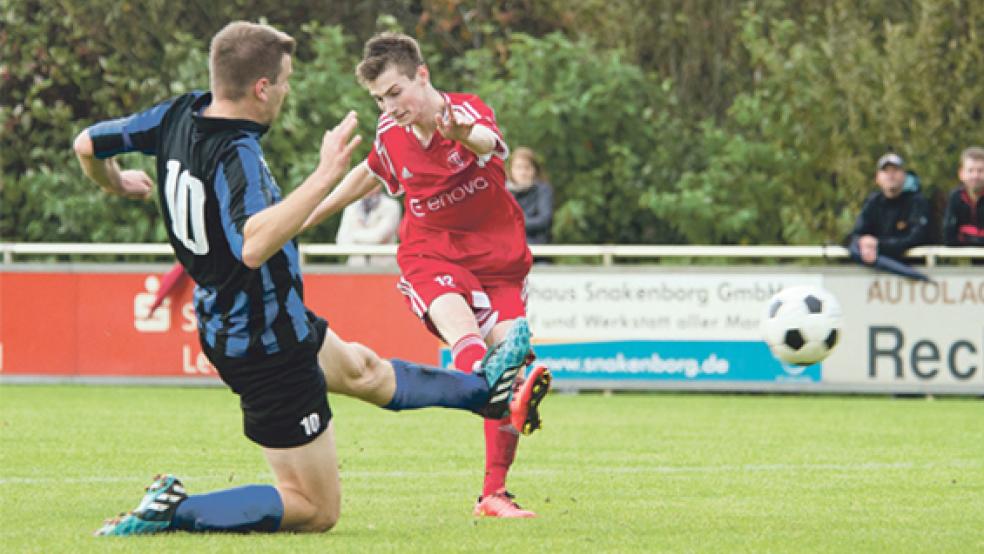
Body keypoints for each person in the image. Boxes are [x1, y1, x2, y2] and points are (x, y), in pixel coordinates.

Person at [73, 21, 536, 537]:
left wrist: (118, 183)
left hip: (266, 319)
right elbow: (252, 245)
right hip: (264, 338)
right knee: (315, 509)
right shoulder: (236, 152)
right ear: (261, 88)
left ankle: (490, 391)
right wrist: (324, 174)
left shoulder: (178, 113)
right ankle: (174, 510)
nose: (288, 90)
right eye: (286, 80)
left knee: (366, 372)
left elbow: (87, 144)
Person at [302, 32, 552, 518]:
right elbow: (373, 172)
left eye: (395, 93)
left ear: (423, 75)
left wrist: (458, 133)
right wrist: (307, 212)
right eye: (379, 99)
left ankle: (493, 493)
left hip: (499, 259)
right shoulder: (390, 134)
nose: (390, 106)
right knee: (479, 353)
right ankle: (507, 391)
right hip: (432, 255)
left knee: (511, 357)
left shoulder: (469, 111)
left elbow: (485, 142)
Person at [845, 152, 931, 280]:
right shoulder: (873, 202)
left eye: (895, 170)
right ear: (877, 178)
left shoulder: (917, 202)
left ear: (904, 176)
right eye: (886, 171)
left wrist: (879, 245)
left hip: (913, 273)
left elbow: (916, 238)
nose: (890, 175)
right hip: (876, 276)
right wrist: (863, 242)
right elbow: (855, 234)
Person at [335, 183, 401, 266]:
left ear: (380, 184)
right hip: (356, 267)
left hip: (383, 268)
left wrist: (354, 235)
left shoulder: (392, 206)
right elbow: (341, 240)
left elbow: (380, 236)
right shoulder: (351, 206)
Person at [506, 147, 554, 246]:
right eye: (518, 167)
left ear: (534, 170)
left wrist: (515, 223)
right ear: (511, 170)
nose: (523, 173)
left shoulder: (543, 190)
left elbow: (544, 221)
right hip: (509, 248)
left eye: (527, 167)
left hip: (538, 250)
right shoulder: (504, 192)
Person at [941, 146, 984, 248]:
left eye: (980, 171)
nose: (975, 175)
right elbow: (948, 237)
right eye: (970, 170)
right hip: (967, 260)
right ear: (961, 174)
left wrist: (965, 233)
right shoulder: (955, 197)